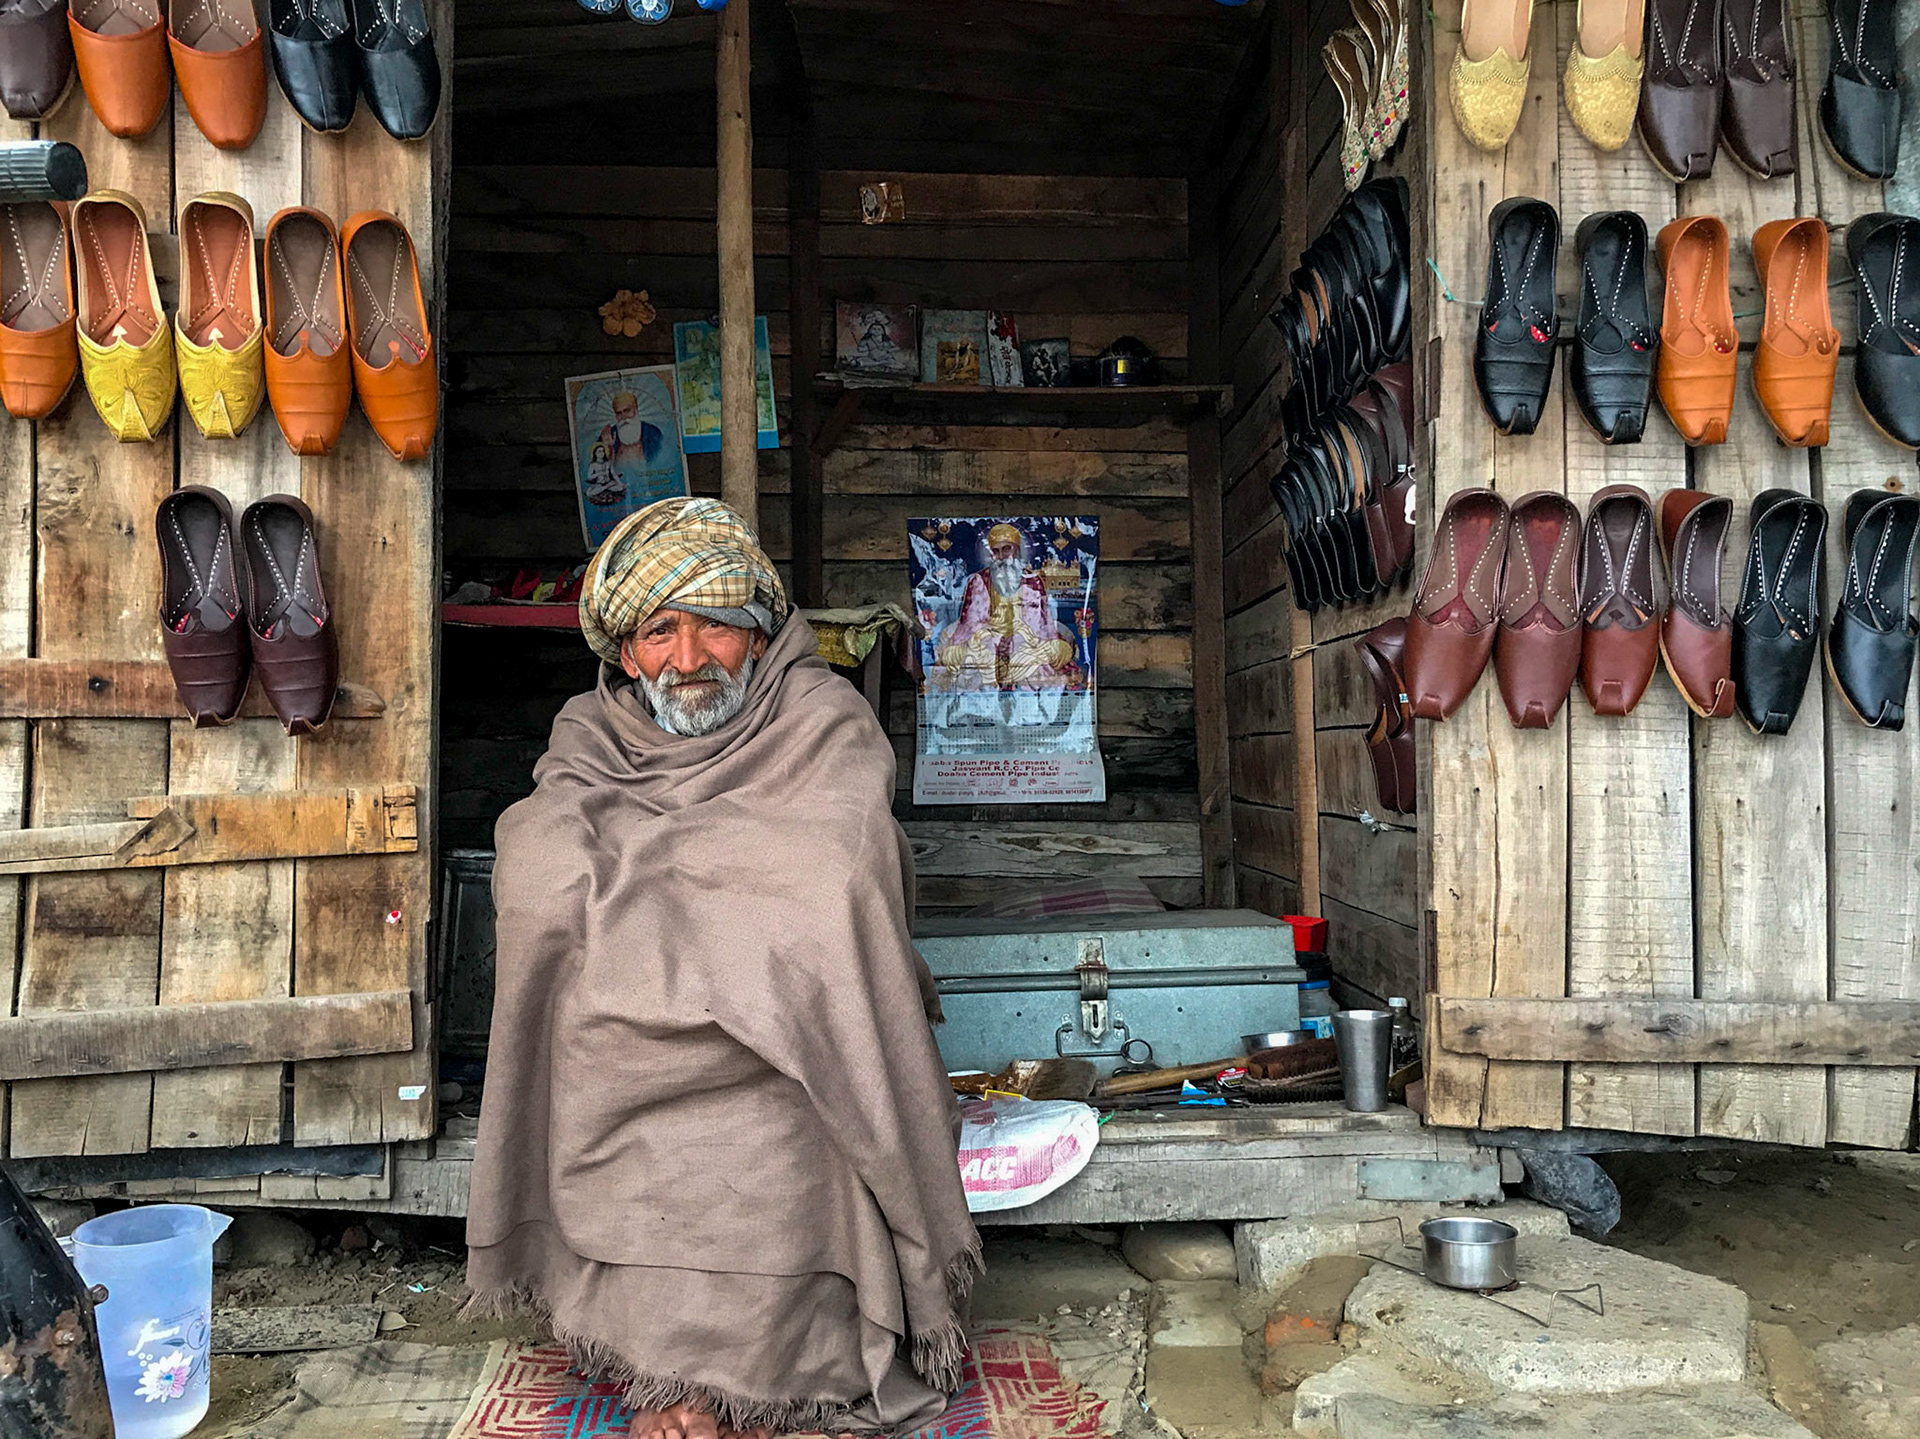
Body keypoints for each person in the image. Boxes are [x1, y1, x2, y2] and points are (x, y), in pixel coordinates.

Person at [466, 497, 978, 1439]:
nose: (689, 657)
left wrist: (657, 912)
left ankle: (759, 1377)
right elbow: (538, 855)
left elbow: (836, 871)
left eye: (714, 626)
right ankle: (671, 1374)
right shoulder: (591, 733)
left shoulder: (823, 718)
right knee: (550, 908)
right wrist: (687, 922)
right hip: (627, 1035)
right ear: (626, 653)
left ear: (759, 632)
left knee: (783, 1126)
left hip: (793, 1039)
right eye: (660, 631)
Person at [935, 523, 1078, 691]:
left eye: (1006, 549)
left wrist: (1017, 639)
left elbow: (1041, 622)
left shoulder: (1032, 580)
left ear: (1017, 550)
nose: (1001, 556)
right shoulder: (979, 580)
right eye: (995, 551)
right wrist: (995, 640)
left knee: (1059, 650)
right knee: (961, 657)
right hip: (985, 641)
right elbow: (972, 623)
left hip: (1026, 640)